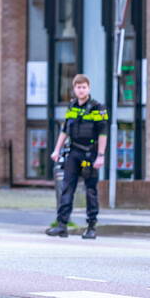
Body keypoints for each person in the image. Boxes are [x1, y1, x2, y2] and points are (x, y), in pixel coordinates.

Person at [46, 73, 108, 240]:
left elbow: (103, 133)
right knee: (67, 188)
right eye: (78, 87)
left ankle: (91, 227)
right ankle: (62, 225)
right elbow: (65, 130)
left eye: (84, 87)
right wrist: (56, 150)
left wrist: (100, 156)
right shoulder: (72, 106)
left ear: (88, 88)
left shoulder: (98, 108)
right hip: (74, 152)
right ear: (74, 89)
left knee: (90, 190)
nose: (81, 90)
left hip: (90, 152)